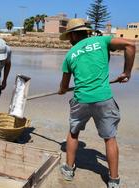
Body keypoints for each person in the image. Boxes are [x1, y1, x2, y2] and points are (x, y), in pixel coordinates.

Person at [58, 18, 136, 188]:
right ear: (86, 31)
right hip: (103, 98)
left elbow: (64, 86)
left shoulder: (70, 54)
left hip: (81, 99)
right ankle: (114, 180)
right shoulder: (102, 41)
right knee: (110, 138)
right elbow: (131, 45)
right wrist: (127, 72)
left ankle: (69, 169)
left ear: (72, 35)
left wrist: (62, 90)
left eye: (69, 37)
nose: (69, 41)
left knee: (73, 133)